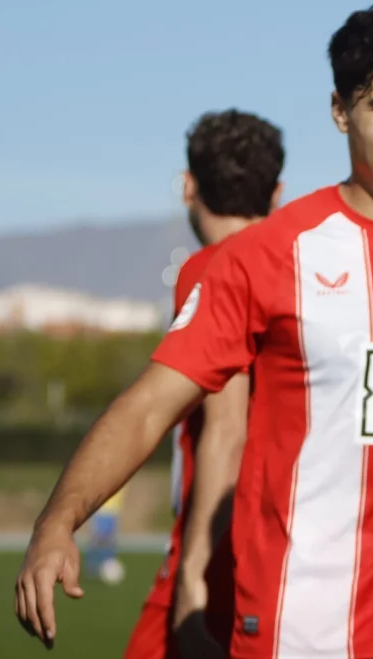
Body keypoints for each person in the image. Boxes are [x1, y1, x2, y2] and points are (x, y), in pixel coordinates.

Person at [15, 2, 373, 659]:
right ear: (338, 110)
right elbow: (151, 403)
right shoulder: (267, 256)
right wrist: (58, 519)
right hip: (294, 635)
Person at [123, 109, 284, 659]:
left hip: (220, 547)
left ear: (189, 186)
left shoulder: (213, 267)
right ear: (278, 191)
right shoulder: (301, 265)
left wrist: (192, 574)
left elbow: (226, 427)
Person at [85, 488, 126, 585]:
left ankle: (108, 563)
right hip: (102, 510)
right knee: (99, 539)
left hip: (114, 511)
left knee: (110, 540)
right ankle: (92, 566)